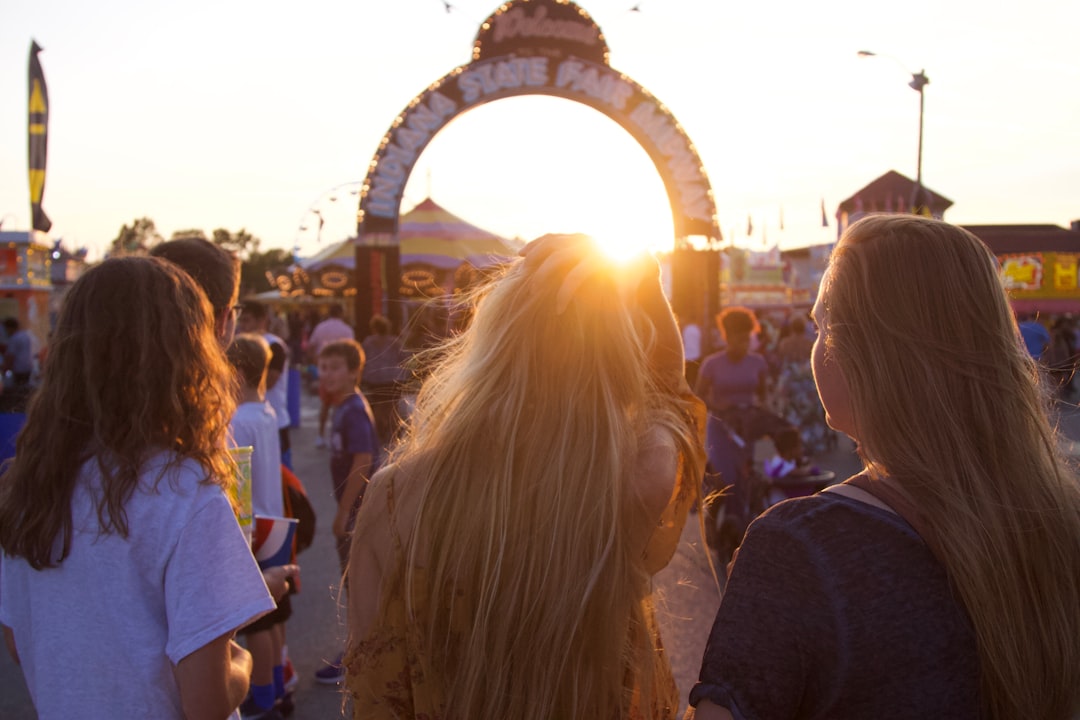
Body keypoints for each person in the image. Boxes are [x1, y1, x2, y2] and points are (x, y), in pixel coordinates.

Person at [687, 215, 1080, 720]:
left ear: (862, 348)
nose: (815, 344)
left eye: (820, 324)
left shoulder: (800, 548)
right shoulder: (1059, 523)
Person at [343, 235, 705, 720]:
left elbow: (375, 695)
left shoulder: (394, 498)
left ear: (491, 344)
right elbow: (671, 398)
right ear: (617, 363)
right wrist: (647, 290)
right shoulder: (633, 484)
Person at [0, 257, 279, 719]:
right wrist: (242, 665)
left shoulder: (27, 487)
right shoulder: (186, 493)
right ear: (186, 358)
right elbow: (206, 704)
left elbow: (21, 641)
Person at [227, 334, 295, 720]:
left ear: (235, 372)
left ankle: (264, 698)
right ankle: (280, 687)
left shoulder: (236, 420)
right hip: (275, 520)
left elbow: (236, 483)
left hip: (252, 527)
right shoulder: (266, 412)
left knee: (257, 623)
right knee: (275, 615)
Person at [313, 338, 381, 685]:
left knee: (358, 585)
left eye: (336, 367)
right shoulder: (344, 406)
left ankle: (357, 655)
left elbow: (363, 461)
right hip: (356, 511)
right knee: (357, 584)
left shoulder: (354, 409)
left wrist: (342, 513)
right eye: (324, 367)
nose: (328, 375)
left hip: (358, 513)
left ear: (355, 371)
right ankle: (361, 648)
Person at [695, 307, 790, 531]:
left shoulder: (758, 362)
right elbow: (698, 397)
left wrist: (766, 413)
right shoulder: (711, 363)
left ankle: (747, 523)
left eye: (747, 339)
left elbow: (764, 395)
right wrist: (720, 406)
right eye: (739, 339)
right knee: (727, 477)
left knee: (754, 477)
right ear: (727, 337)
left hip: (749, 427)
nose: (744, 344)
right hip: (721, 428)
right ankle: (715, 518)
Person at [239, 301, 293, 468]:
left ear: (262, 320)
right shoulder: (241, 344)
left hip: (274, 420)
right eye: (241, 320)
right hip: (250, 420)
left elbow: (269, 382)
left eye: (247, 320)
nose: (243, 326)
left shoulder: (274, 345)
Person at [307, 304, 356, 448]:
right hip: (343, 373)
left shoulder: (321, 328)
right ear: (341, 313)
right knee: (343, 404)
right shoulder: (347, 329)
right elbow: (353, 352)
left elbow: (311, 346)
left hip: (325, 371)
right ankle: (341, 436)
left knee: (325, 404)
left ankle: (321, 435)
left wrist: (317, 363)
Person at [360, 314, 406, 448]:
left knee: (379, 407)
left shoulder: (368, 342)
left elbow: (363, 359)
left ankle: (378, 433)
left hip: (374, 379)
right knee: (393, 406)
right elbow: (404, 358)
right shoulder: (395, 341)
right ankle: (394, 435)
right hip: (393, 377)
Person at [2, 318, 35, 387]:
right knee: (24, 387)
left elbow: (11, 356)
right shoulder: (25, 336)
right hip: (27, 367)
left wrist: (5, 369)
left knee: (17, 388)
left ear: (10, 328)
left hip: (18, 369)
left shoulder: (14, 338)